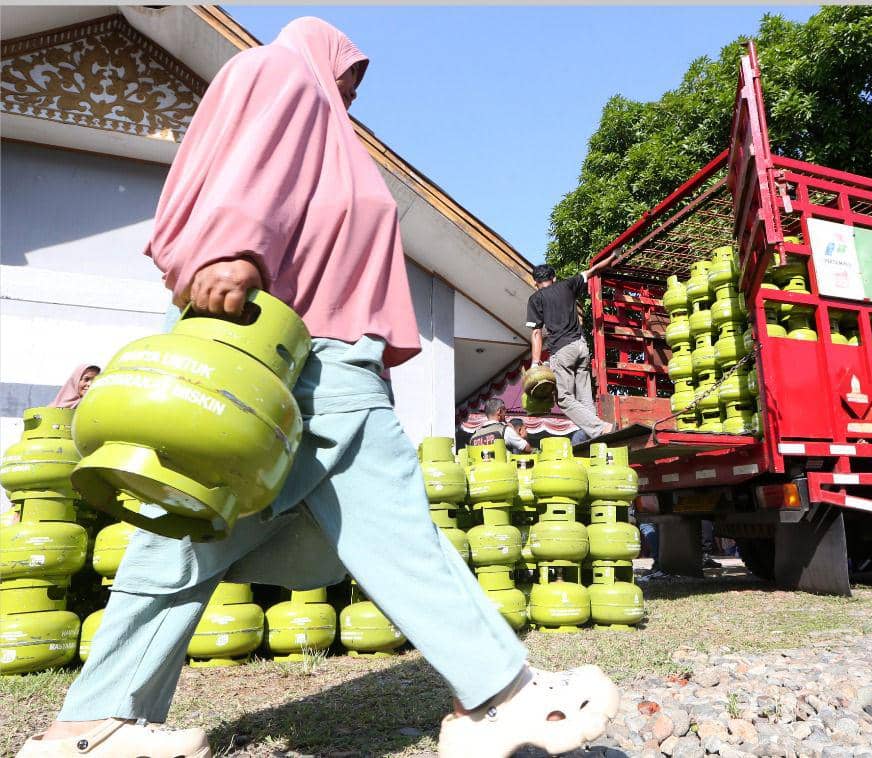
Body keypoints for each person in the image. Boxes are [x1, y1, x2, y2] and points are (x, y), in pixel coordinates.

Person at [19, 18, 617, 758]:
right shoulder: (288, 74)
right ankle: (499, 696)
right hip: (310, 349)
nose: (353, 92)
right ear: (326, 54)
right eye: (352, 75)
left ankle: (95, 721)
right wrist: (236, 246)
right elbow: (253, 165)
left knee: (185, 536)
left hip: (305, 347)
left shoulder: (323, 117)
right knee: (392, 521)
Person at [526, 260, 620, 442]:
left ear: (535, 282)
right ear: (553, 278)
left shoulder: (535, 298)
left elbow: (536, 332)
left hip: (562, 351)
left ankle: (601, 428)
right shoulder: (567, 284)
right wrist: (613, 257)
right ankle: (595, 435)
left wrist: (535, 363)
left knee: (564, 399)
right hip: (581, 347)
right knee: (584, 397)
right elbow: (592, 270)